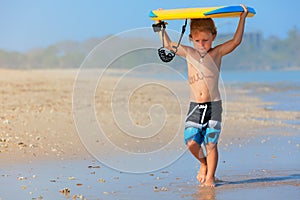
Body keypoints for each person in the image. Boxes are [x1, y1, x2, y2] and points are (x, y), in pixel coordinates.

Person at [155, 5, 249, 187]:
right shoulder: (189, 53)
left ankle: (210, 177)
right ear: (191, 39)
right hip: (195, 107)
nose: (202, 44)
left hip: (214, 106)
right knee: (191, 142)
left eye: (205, 40)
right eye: (197, 40)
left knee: (211, 143)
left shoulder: (217, 53)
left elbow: (236, 41)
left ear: (213, 36)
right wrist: (159, 24)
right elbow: (167, 44)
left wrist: (242, 17)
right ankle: (203, 164)